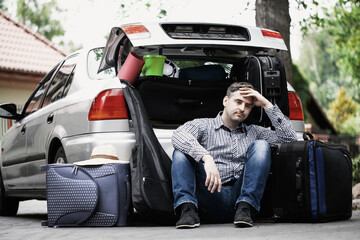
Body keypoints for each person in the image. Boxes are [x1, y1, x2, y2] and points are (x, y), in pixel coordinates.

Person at [171, 82, 298, 229]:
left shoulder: (255, 131)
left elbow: (290, 140)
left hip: (241, 197)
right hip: (210, 194)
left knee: (261, 145)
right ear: (226, 101)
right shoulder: (203, 125)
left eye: (248, 106)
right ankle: (187, 211)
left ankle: (246, 207)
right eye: (238, 102)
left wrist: (265, 103)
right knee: (180, 152)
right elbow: (178, 135)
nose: (242, 108)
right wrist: (206, 158)